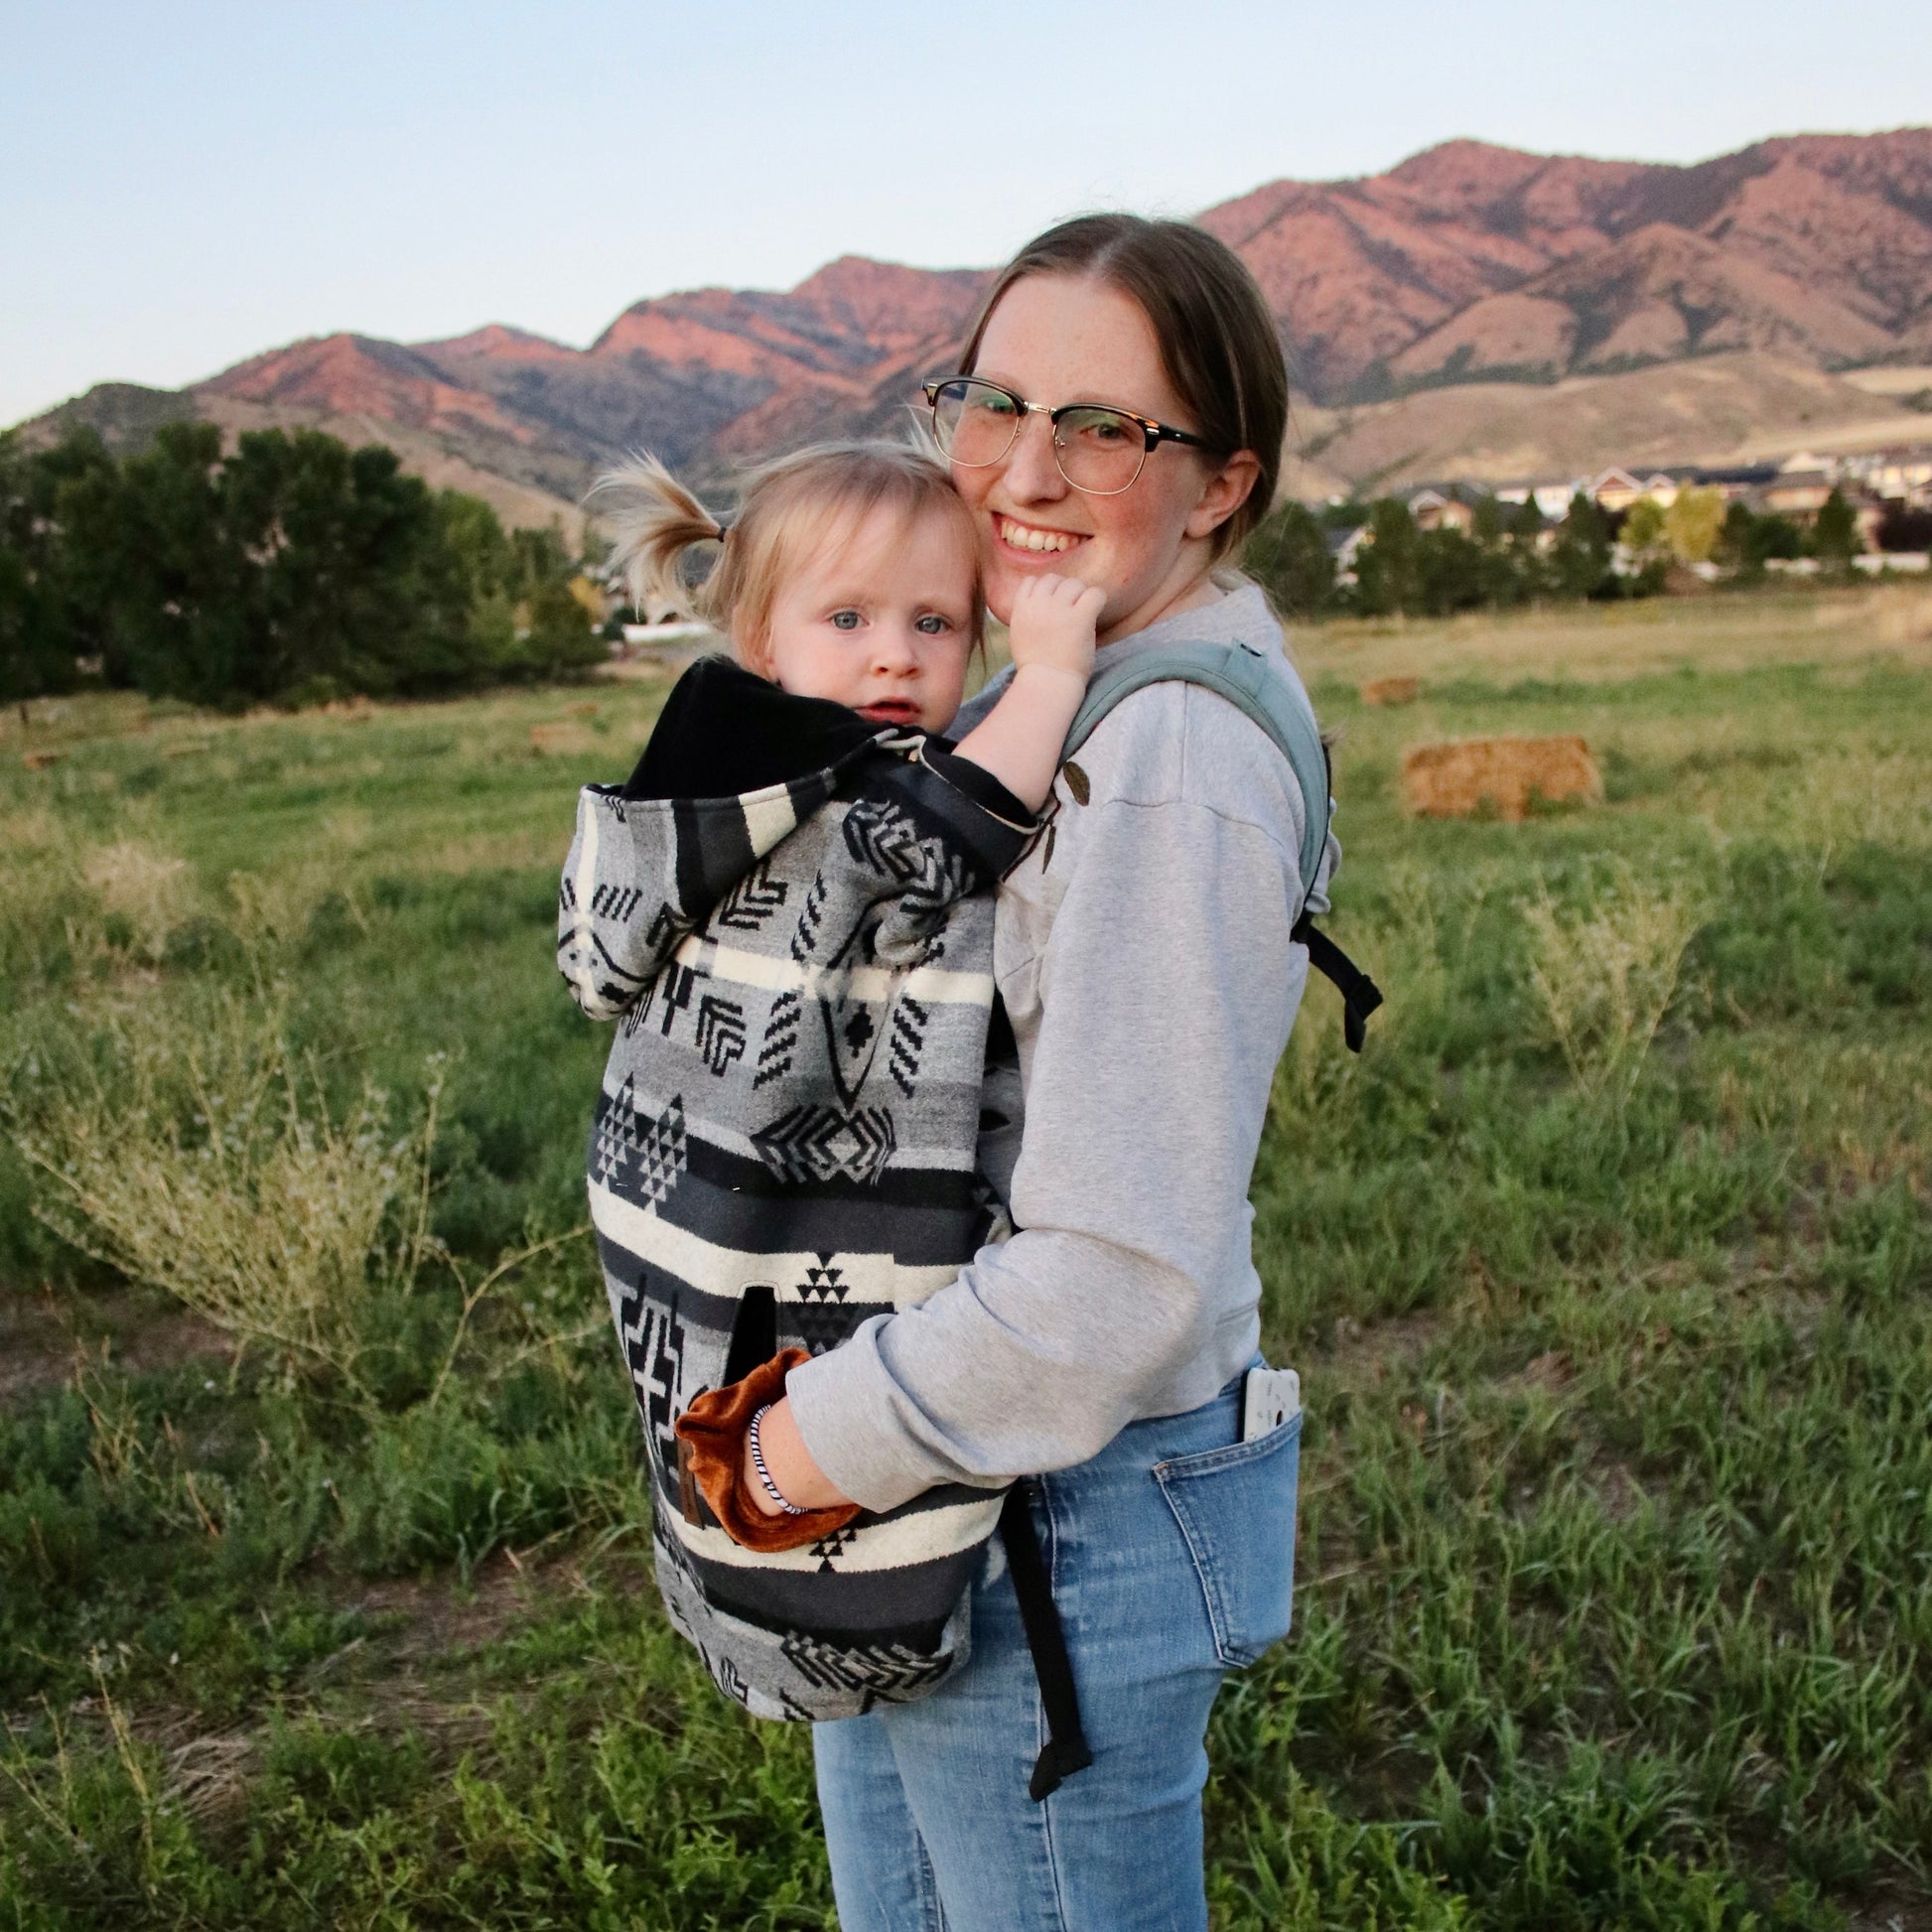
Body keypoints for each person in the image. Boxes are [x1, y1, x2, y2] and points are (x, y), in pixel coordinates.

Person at [747, 215, 1335, 1932]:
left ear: (1219, 483)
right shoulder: (1056, 684)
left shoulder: (1165, 753)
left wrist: (795, 1445)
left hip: (1045, 1515)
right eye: (991, 401)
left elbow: (1117, 1270)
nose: (1024, 465)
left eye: (1104, 427)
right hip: (956, 1478)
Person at [556, 443, 1103, 1719]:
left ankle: (758, 1601)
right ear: (759, 635)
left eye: (936, 621)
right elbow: (951, 825)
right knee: (825, 1403)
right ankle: (847, 1615)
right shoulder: (831, 799)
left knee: (723, 1385)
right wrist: (1056, 668)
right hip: (781, 1193)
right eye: (847, 618)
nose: (896, 655)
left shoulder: (699, 787)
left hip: (686, 1201)